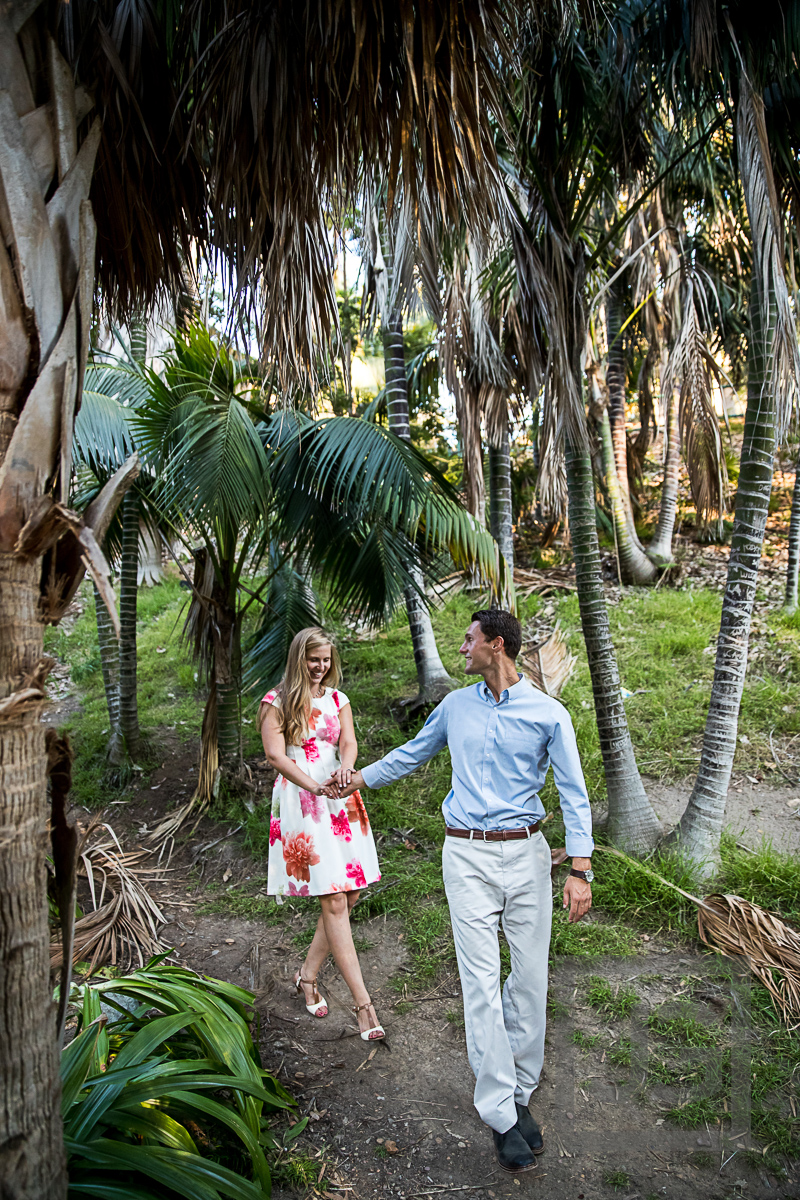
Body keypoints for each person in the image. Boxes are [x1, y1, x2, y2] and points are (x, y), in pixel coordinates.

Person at [335, 610, 594, 1172]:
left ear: (496, 645)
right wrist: (360, 777)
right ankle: (502, 1113)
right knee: (479, 982)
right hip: (466, 855)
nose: (462, 646)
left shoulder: (550, 715)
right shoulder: (456, 706)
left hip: (527, 854)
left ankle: (521, 1091)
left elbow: (575, 794)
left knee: (529, 979)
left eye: (470, 639)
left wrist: (580, 869)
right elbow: (413, 754)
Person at [260, 626, 384, 1041]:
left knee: (349, 894)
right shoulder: (275, 702)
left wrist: (345, 769)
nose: (321, 667)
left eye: (327, 660)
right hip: (303, 799)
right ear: (299, 658)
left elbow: (348, 741)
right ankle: (364, 1006)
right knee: (333, 897)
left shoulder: (337, 699)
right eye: (315, 660)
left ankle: (307, 977)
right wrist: (314, 786)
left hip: (340, 794)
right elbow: (276, 755)